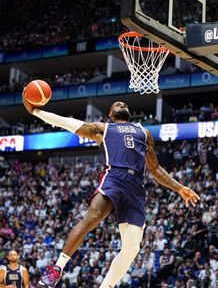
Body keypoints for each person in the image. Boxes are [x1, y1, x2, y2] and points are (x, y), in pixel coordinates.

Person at [22, 93, 200, 288]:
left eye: (124, 103)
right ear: (110, 114)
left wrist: (179, 187)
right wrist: (37, 111)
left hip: (136, 186)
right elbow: (68, 123)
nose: (122, 104)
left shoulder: (144, 132)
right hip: (114, 177)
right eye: (117, 104)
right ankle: (57, 268)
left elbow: (154, 168)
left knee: (132, 248)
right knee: (92, 217)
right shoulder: (103, 129)